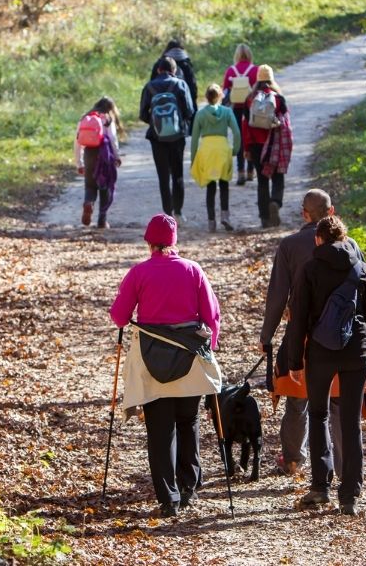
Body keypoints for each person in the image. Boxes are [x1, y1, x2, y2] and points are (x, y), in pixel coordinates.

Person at [110, 214, 222, 518]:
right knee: (188, 421)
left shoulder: (138, 273)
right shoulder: (193, 270)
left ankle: (168, 498)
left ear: (148, 242)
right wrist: (209, 350)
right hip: (189, 360)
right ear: (175, 241)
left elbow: (120, 317)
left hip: (151, 361)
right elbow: (212, 317)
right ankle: (189, 486)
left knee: (160, 430)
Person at [258, 190, 362, 476]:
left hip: (303, 334)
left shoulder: (290, 245)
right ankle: (343, 469)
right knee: (339, 402)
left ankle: (293, 459)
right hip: (343, 334)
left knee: (299, 398)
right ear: (332, 213)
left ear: (304, 214)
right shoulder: (351, 245)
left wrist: (267, 336)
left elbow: (278, 295)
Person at [286, 214, 366, 516]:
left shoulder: (310, 269)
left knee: (318, 414)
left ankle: (320, 486)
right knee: (351, 423)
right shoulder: (360, 268)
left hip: (321, 351)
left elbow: (298, 316)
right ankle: (350, 495)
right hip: (357, 350)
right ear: (343, 237)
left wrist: (293, 360)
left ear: (318, 239)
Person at [140, 57, 195, 224]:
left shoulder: (149, 87)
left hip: (157, 138)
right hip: (177, 137)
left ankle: (168, 214)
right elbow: (189, 111)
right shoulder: (180, 85)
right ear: (174, 70)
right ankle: (178, 213)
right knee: (177, 174)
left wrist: (157, 124)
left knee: (163, 176)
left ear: (158, 70)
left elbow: (143, 115)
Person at [241, 64, 293, 228]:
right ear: (271, 79)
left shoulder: (250, 99)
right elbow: (286, 125)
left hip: (256, 146)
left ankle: (264, 218)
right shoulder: (278, 98)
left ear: (257, 79)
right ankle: (275, 203)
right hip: (273, 145)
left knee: (262, 181)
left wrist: (247, 148)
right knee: (278, 177)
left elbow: (245, 126)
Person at [190, 83, 241, 232]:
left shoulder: (200, 114)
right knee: (224, 184)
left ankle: (211, 221)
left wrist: (194, 158)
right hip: (223, 149)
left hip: (207, 150)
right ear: (220, 96)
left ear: (206, 97)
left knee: (210, 186)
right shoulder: (227, 112)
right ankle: (225, 216)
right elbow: (237, 133)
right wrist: (234, 150)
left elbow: (194, 139)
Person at [74, 96, 124, 228]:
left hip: (89, 154)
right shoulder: (107, 119)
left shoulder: (86, 118)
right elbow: (113, 139)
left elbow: (77, 142)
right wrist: (117, 156)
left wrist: (79, 163)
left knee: (90, 185)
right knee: (105, 187)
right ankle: (102, 220)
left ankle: (88, 202)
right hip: (104, 155)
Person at [222, 43, 258, 186]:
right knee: (251, 138)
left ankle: (240, 171)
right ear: (249, 55)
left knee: (239, 138)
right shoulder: (255, 70)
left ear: (236, 55)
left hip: (236, 108)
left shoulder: (231, 71)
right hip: (251, 108)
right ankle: (251, 170)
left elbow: (225, 91)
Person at [150, 39, 198, 129]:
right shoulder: (186, 63)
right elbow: (192, 87)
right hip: (180, 104)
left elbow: (151, 83)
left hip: (160, 105)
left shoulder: (160, 63)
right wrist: (191, 111)